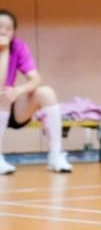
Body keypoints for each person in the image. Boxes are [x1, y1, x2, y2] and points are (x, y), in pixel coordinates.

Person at [0, 10, 72, 174]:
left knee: (46, 92)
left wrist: (19, 90)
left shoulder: (18, 46)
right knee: (2, 94)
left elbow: (36, 79)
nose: (3, 31)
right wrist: (3, 52)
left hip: (8, 107)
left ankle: (55, 155)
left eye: (8, 28)